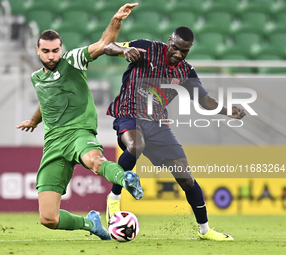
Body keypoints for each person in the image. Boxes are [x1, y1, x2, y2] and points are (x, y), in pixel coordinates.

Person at [103, 26, 246, 241]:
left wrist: (228, 111)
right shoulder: (146, 48)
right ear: (169, 40)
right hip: (130, 112)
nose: (178, 54)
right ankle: (114, 198)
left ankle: (205, 231)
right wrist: (122, 51)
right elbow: (107, 46)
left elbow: (204, 101)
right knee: (135, 145)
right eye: (175, 48)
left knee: (186, 178)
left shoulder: (186, 71)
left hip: (157, 123)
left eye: (184, 51)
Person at [16, 3, 144, 241]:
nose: (51, 55)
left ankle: (125, 178)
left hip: (78, 132)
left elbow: (103, 44)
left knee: (95, 162)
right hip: (53, 143)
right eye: (46, 51)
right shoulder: (37, 78)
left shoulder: (73, 60)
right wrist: (34, 121)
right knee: (48, 218)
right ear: (38, 51)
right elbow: (46, 101)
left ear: (61, 48)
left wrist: (116, 20)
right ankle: (91, 223)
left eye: (55, 50)